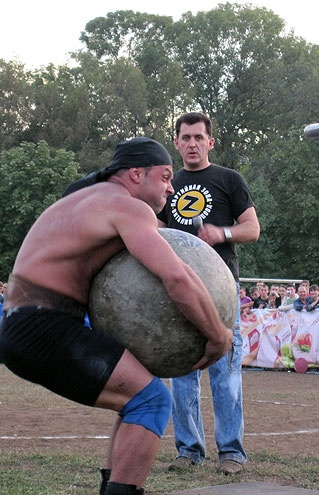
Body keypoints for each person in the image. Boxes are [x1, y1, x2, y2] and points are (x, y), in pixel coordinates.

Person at [0, 137, 233, 495]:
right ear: (136, 174)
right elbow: (177, 277)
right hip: (43, 325)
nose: (171, 188)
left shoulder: (86, 200)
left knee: (133, 402)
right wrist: (218, 335)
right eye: (165, 177)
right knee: (152, 400)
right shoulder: (127, 207)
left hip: (23, 324)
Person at [157, 112, 260, 475]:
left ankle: (231, 452)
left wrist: (222, 233)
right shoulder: (168, 184)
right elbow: (156, 230)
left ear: (210, 142)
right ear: (176, 143)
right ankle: (188, 450)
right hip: (179, 290)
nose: (192, 144)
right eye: (185, 138)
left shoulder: (229, 179)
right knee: (181, 372)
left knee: (225, 371)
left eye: (199, 137)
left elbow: (252, 229)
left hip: (221, 288)